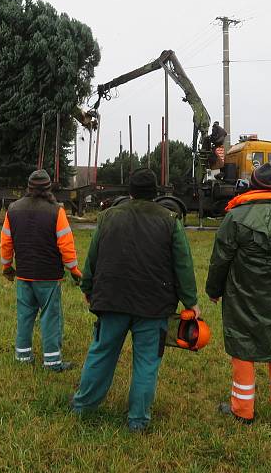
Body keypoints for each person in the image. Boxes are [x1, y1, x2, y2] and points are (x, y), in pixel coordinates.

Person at [71, 168, 199, 432]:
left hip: (111, 299)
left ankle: (83, 407)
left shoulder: (107, 217)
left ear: (129, 191)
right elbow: (182, 264)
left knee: (101, 354)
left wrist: (87, 286)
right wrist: (191, 302)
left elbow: (93, 256)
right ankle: (138, 420)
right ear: (156, 193)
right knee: (147, 362)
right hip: (154, 306)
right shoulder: (170, 220)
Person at [206, 163, 271, 425]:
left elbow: (220, 258)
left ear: (253, 185)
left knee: (243, 344)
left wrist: (214, 290)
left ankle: (243, 410)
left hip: (242, 291)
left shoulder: (236, 217)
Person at [0, 169, 82, 372]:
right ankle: (53, 362)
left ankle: (22, 356)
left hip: (23, 274)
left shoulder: (13, 209)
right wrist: (74, 269)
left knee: (25, 316)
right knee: (50, 317)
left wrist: (7, 266)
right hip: (48, 276)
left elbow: (6, 242)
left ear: (28, 188)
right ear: (48, 188)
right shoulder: (56, 211)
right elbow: (66, 245)